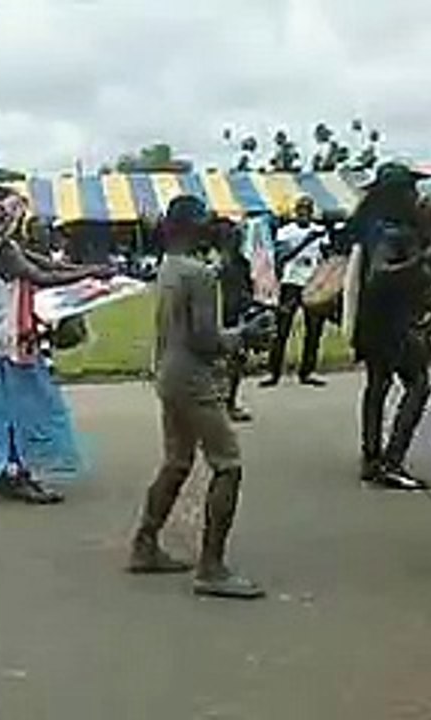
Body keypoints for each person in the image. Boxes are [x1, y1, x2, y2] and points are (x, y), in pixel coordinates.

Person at [128, 195, 272, 600]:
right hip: (193, 379)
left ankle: (145, 544)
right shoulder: (199, 274)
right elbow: (206, 341)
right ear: (193, 227)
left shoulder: (170, 266)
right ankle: (212, 567)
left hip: (168, 375)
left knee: (176, 462)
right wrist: (245, 334)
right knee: (228, 465)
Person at [0, 186, 110, 504]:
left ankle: (3, 470)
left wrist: (89, 273)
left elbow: (50, 267)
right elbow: (40, 275)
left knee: (3, 409)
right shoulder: (6, 250)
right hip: (14, 342)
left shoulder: (1, 246)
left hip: (6, 340)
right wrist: (91, 275)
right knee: (27, 407)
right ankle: (17, 473)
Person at [352, 163, 431, 490]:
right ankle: (392, 461)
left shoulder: (373, 226)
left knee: (377, 386)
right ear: (398, 194)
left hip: (372, 323)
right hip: (394, 324)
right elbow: (380, 275)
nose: (416, 196)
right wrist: (423, 260)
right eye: (410, 190)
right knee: (418, 384)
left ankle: (372, 458)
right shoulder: (395, 232)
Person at [261, 196, 329, 388]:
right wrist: (306, 241)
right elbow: (282, 257)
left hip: (313, 284)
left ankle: (307, 372)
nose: (304, 214)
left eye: (307, 210)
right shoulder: (285, 232)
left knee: (314, 330)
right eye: (300, 210)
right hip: (291, 283)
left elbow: (326, 255)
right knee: (282, 329)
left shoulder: (320, 231)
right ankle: (273, 373)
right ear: (295, 212)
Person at [216, 220, 254, 423]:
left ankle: (228, 403)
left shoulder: (239, 263)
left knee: (235, 363)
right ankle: (226, 404)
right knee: (230, 363)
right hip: (227, 319)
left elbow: (245, 292)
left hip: (234, 316)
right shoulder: (225, 265)